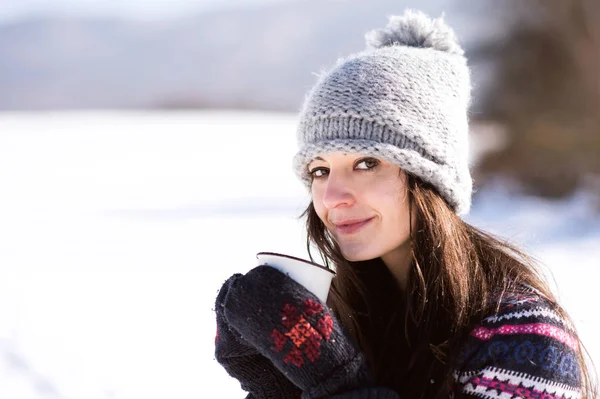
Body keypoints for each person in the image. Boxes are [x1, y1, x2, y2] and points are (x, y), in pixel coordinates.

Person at [213, 9, 596, 399]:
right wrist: (270, 380)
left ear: (429, 178)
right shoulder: (350, 325)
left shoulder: (522, 338)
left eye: (366, 163)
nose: (331, 197)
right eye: (320, 170)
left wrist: (335, 382)